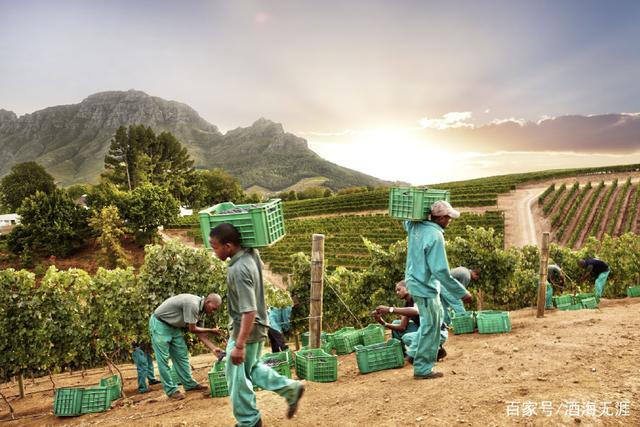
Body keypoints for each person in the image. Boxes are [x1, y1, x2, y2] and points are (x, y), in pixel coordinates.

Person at [210, 223, 304, 427]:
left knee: (236, 377)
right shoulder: (251, 253)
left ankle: (248, 421)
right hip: (258, 325)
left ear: (228, 246)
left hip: (247, 329)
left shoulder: (239, 270)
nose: (212, 250)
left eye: (214, 246)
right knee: (251, 369)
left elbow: (249, 310)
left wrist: (239, 345)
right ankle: (290, 389)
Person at [402, 200, 472, 380]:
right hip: (425, 286)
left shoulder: (415, 226)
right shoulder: (435, 235)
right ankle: (423, 368)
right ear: (439, 218)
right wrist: (461, 292)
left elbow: (406, 220)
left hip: (414, 282)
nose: (450, 221)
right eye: (448, 218)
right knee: (431, 327)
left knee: (432, 321)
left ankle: (414, 355)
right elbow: (440, 270)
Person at [149, 293, 224, 400]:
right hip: (160, 324)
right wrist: (211, 330)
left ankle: (190, 385)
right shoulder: (193, 304)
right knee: (163, 359)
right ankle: (171, 391)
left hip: (174, 327)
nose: (213, 312)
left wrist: (213, 348)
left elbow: (200, 333)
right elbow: (192, 329)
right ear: (208, 302)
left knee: (181, 355)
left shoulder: (202, 312)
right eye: (213, 308)